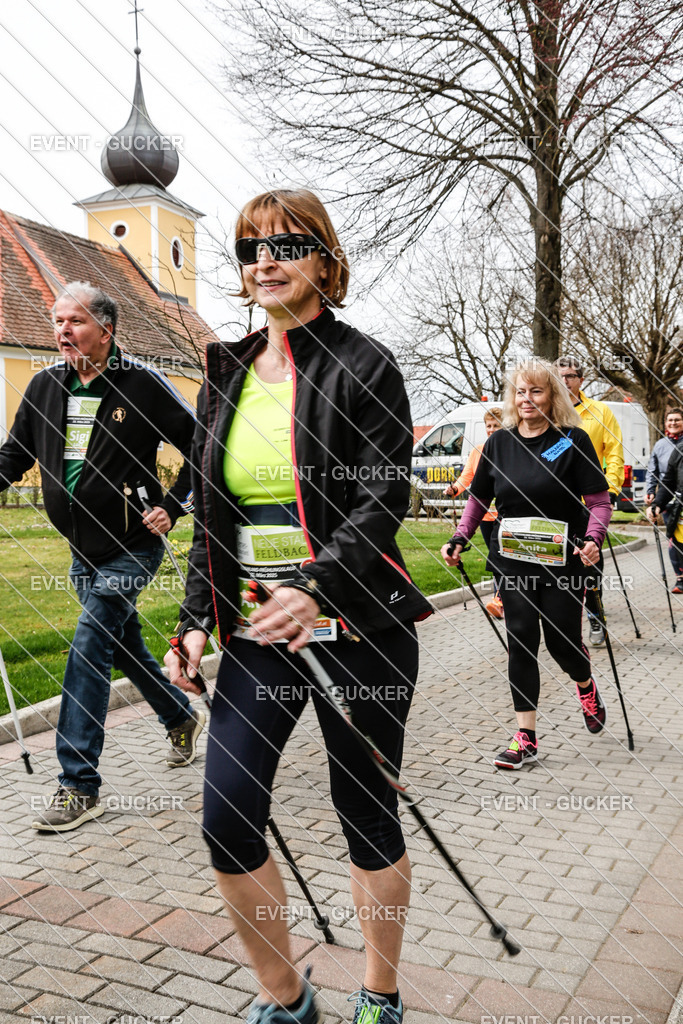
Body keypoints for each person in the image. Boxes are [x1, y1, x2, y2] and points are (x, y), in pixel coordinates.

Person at [165, 190, 432, 1024]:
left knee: (365, 811)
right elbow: (211, 513)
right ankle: (286, 997)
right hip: (257, 632)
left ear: (325, 259)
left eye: (286, 244)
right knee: (227, 816)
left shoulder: (365, 364)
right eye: (249, 249)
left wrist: (314, 580)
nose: (265, 260)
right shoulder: (226, 370)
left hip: (360, 629)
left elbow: (383, 493)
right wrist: (193, 620)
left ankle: (379, 992)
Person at [0, 281, 202, 832]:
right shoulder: (45, 386)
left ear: (106, 329)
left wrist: (173, 505)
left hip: (131, 547)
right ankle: (179, 716)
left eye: (76, 321)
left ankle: (77, 783)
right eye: (58, 321)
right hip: (80, 549)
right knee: (124, 645)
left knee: (89, 645)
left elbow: (202, 447)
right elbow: (13, 455)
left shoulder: (143, 385)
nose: (63, 331)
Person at [441, 359, 612, 770]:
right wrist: (460, 536)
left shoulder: (572, 441)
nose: (527, 399)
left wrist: (593, 539)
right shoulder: (498, 444)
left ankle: (585, 684)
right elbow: (479, 498)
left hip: (562, 560)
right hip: (514, 559)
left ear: (552, 395)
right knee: (520, 640)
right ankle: (526, 737)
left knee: (561, 644)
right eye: (521, 391)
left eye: (536, 391)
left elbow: (599, 502)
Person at [555, 357, 624, 646]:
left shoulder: (600, 411)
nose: (564, 381)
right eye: (559, 377)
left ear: (581, 379)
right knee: (555, 561)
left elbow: (615, 451)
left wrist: (611, 487)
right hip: (555, 501)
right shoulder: (546, 413)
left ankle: (596, 617)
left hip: (591, 500)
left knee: (590, 560)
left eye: (570, 376)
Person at [443, 407, 504, 618]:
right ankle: (501, 597)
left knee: (501, 558)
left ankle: (500, 598)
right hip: (486, 516)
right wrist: (455, 489)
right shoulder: (478, 451)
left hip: (507, 516)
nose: (491, 429)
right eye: (488, 426)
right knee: (495, 558)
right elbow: (467, 477)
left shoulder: (511, 450)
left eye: (496, 425)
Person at [645, 408, 683, 593]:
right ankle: (680, 578)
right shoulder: (662, 445)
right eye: (670, 420)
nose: (673, 423)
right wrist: (654, 498)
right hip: (670, 500)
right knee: (675, 540)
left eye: (677, 420)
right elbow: (660, 475)